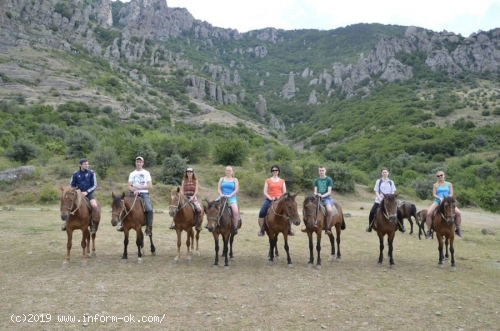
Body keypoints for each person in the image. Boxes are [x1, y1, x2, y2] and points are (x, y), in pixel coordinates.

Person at [118, 156, 153, 236]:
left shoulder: (146, 173)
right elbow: (129, 186)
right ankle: (123, 225)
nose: (139, 163)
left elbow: (150, 185)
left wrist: (140, 187)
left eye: (140, 162)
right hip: (133, 193)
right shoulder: (132, 173)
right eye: (137, 162)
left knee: (149, 208)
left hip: (144, 193)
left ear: (143, 163)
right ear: (135, 163)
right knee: (124, 205)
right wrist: (134, 190)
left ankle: (148, 227)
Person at [63, 158, 99, 233]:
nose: (87, 165)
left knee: (95, 206)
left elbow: (94, 185)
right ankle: (66, 223)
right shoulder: (75, 174)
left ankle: (92, 223)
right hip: (77, 194)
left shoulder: (91, 173)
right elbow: (71, 185)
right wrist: (76, 190)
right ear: (80, 165)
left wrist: (87, 192)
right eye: (85, 164)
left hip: (89, 194)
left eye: (87, 164)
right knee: (69, 204)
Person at [366, 167, 406, 233]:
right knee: (372, 212)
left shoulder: (391, 182)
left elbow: (393, 191)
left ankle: (401, 226)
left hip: (389, 201)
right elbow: (376, 191)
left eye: (386, 172)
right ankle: (370, 226)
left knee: (399, 211)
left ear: (388, 173)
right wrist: (380, 198)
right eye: (383, 172)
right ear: (381, 174)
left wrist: (390, 198)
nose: (384, 173)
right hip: (379, 200)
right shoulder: (378, 181)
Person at [425, 171, 463, 238]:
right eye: (438, 176)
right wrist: (439, 198)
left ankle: (458, 229)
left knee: (459, 213)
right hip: (438, 201)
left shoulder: (449, 184)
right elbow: (434, 194)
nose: (440, 177)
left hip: (448, 201)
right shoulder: (435, 185)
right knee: (429, 213)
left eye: (441, 175)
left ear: (444, 175)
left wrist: (447, 198)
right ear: (437, 177)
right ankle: (429, 231)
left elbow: (451, 193)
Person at [257, 165, 290, 236]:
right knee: (262, 212)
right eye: (273, 170)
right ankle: (262, 229)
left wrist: (279, 197)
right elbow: (265, 191)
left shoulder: (282, 181)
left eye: (276, 170)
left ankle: (289, 229)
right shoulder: (268, 180)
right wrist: (270, 197)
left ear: (278, 171)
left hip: (280, 200)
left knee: (288, 211)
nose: (274, 172)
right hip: (270, 199)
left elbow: (284, 192)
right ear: (271, 172)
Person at [311, 165, 337, 235]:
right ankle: (308, 226)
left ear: (325, 171)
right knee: (309, 207)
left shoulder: (329, 179)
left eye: (322, 170)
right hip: (317, 198)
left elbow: (329, 192)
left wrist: (322, 195)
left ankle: (327, 227)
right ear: (318, 171)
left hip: (326, 198)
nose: (321, 172)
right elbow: (315, 191)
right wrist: (316, 194)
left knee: (329, 210)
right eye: (320, 170)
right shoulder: (316, 180)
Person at [217, 165, 240, 234]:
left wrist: (230, 195)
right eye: (227, 170)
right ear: (225, 171)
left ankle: (235, 227)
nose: (228, 172)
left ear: (232, 172)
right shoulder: (221, 179)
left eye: (229, 170)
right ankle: (211, 223)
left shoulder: (235, 180)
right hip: (222, 197)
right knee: (212, 207)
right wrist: (221, 194)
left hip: (231, 198)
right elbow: (218, 188)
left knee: (235, 212)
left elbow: (236, 189)